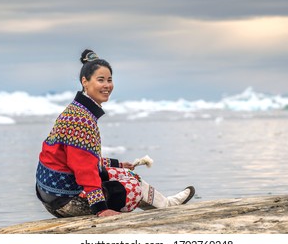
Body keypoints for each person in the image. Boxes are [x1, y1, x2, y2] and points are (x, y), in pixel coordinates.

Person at [35, 49, 195, 217]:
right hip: (66, 201)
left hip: (53, 195)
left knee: (127, 174)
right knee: (134, 187)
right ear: (85, 82)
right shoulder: (81, 120)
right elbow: (84, 169)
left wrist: (117, 164)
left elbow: (77, 159)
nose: (107, 85)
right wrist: (101, 209)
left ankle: (166, 204)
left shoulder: (77, 111)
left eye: (109, 80)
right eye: (100, 80)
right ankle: (166, 206)